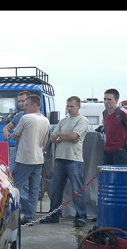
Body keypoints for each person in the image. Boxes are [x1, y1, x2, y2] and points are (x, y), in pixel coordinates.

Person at [43, 96, 90, 227]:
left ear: (78, 106)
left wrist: (61, 136)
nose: (69, 109)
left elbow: (74, 136)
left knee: (77, 189)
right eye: (67, 106)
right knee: (56, 189)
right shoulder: (63, 121)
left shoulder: (82, 120)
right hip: (60, 158)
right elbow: (53, 138)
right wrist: (65, 136)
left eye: (72, 106)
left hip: (74, 159)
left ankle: (81, 217)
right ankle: (53, 215)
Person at [8, 94, 49, 224]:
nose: (24, 107)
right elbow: (45, 140)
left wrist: (24, 140)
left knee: (14, 186)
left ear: (34, 105)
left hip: (24, 158)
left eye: (27, 105)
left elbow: (14, 135)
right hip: (38, 158)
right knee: (34, 189)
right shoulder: (45, 120)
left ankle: (10, 214)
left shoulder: (26, 118)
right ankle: (29, 217)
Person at [2, 90, 31, 170]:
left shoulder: (36, 116)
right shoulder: (19, 115)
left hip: (29, 154)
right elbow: (8, 126)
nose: (21, 104)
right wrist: (5, 131)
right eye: (19, 101)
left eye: (23, 101)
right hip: (18, 152)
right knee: (9, 173)